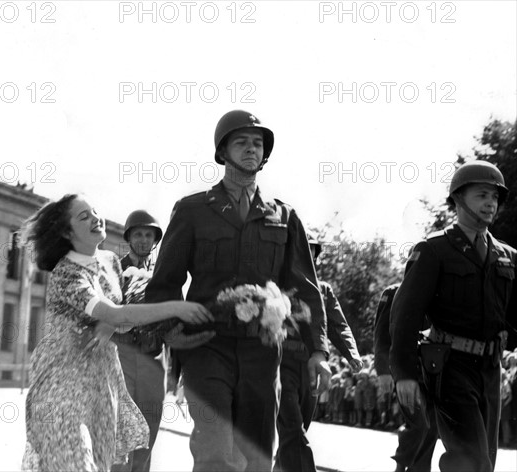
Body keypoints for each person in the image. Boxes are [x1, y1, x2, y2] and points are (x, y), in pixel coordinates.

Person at [145, 110, 332, 472]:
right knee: (215, 446)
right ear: (222, 152)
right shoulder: (192, 210)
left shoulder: (285, 216)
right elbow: (164, 283)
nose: (251, 149)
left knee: (258, 450)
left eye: (258, 144)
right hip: (206, 344)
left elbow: (306, 289)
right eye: (241, 142)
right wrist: (170, 332)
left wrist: (319, 350)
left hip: (263, 349)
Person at [20, 194, 213, 472]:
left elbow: (120, 310)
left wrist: (110, 323)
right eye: (83, 216)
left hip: (104, 381)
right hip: (64, 381)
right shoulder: (66, 273)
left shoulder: (110, 261)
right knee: (76, 462)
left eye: (94, 211)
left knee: (107, 461)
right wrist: (176, 308)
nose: (96, 218)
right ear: (66, 231)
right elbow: (116, 313)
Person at [390, 161, 517, 472]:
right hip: (449, 368)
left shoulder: (508, 257)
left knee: (485, 459)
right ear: (459, 199)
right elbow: (405, 316)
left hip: (490, 371)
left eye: (495, 197)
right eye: (482, 195)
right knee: (472, 463)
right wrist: (404, 374)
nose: (491, 203)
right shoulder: (434, 250)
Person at [275, 240, 362, 472]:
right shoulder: (275, 285)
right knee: (293, 429)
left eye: (311, 249)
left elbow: (338, 325)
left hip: (312, 368)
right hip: (280, 364)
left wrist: (351, 354)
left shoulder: (323, 290)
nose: (307, 252)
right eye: (302, 247)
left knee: (297, 428)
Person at [110, 210, 164, 472]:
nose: (143, 240)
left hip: (154, 361)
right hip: (122, 357)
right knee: (123, 431)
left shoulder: (162, 276)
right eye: (138, 234)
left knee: (149, 432)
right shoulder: (113, 271)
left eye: (148, 235)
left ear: (155, 240)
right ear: (129, 238)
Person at [374, 283, 438, 472]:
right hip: (405, 372)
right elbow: (381, 334)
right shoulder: (394, 292)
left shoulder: (435, 290)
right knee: (419, 425)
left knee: (431, 428)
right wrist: (383, 371)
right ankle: (401, 465)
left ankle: (420, 468)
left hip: (432, 370)